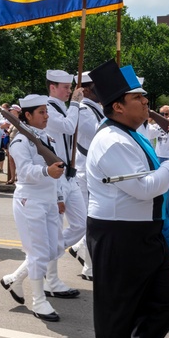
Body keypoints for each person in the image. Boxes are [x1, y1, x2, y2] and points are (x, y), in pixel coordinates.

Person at [84, 59, 169, 338]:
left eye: (145, 96)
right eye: (138, 97)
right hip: (118, 234)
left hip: (145, 232)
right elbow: (143, 189)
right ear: (117, 106)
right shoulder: (113, 142)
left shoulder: (131, 135)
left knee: (166, 298)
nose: (146, 102)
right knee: (117, 311)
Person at [0, 94, 66, 321]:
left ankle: (14, 279)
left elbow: (56, 172)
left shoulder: (45, 138)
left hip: (48, 200)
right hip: (31, 201)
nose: (46, 116)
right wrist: (46, 172)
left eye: (46, 112)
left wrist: (58, 196)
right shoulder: (21, 141)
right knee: (38, 253)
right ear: (28, 116)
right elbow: (25, 171)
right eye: (41, 112)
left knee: (53, 249)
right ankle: (39, 301)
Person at [42, 69, 84, 297]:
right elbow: (69, 127)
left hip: (70, 174)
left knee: (80, 224)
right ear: (52, 88)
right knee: (55, 228)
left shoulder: (64, 108)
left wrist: (74, 106)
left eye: (70, 87)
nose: (69, 91)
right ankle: (52, 280)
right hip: (56, 175)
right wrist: (77, 105)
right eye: (65, 87)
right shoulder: (47, 109)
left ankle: (42, 259)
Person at [68, 72, 104, 281]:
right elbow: (97, 134)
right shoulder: (83, 110)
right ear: (88, 89)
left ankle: (80, 248)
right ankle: (89, 267)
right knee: (92, 221)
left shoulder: (95, 109)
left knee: (95, 220)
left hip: (95, 172)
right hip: (85, 172)